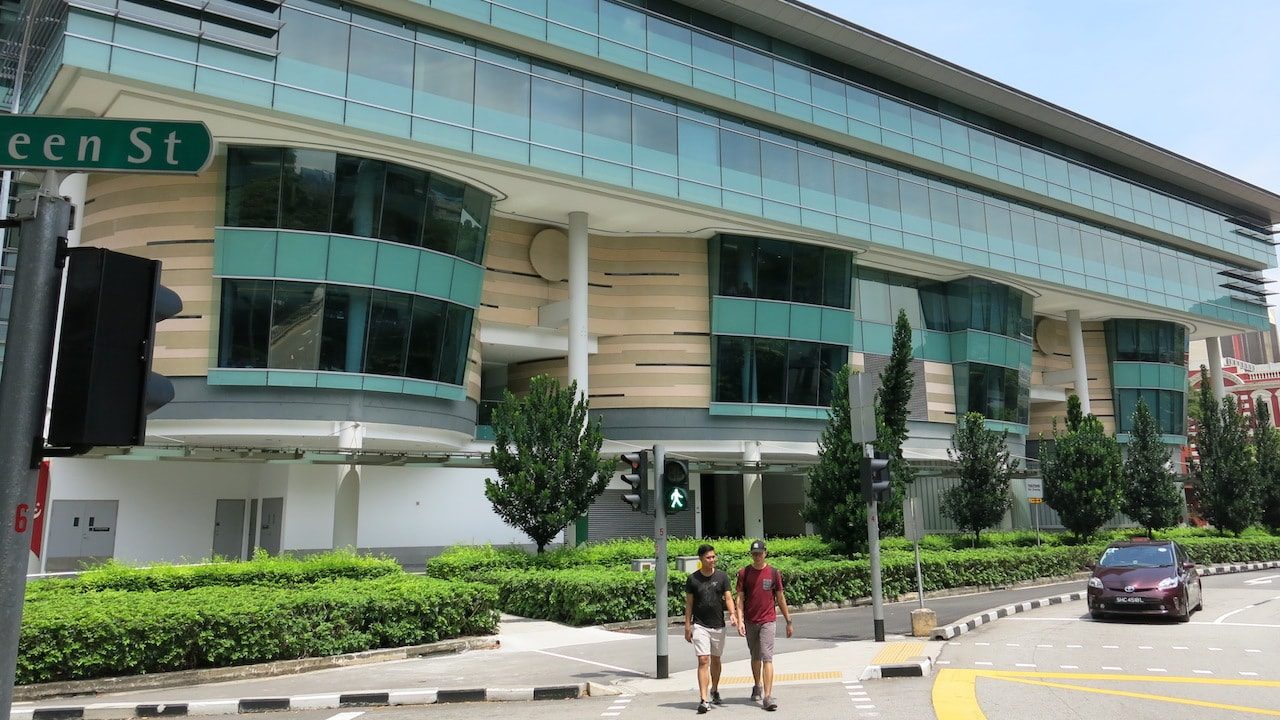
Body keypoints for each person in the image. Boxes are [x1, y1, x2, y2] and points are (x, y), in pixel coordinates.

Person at [735, 539, 793, 712]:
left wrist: (788, 621)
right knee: (755, 656)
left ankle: (767, 696)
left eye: (759, 553)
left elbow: (780, 598)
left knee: (767, 656)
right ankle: (757, 685)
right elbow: (739, 599)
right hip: (751, 620)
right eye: (754, 554)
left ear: (765, 553)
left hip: (768, 620)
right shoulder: (744, 573)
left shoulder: (774, 573)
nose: (757, 556)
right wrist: (739, 620)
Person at [684, 543, 738, 714]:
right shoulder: (693, 579)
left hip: (718, 625)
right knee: (703, 660)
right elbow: (689, 604)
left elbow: (728, 598)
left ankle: (714, 689)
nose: (712, 560)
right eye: (708, 557)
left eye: (713, 556)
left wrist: (733, 614)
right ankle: (703, 699)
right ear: (701, 559)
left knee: (716, 659)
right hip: (700, 625)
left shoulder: (722, 577)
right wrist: (687, 625)